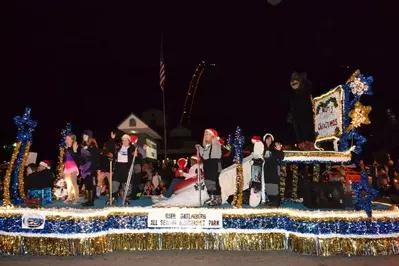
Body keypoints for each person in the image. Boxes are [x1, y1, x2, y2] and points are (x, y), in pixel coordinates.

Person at [107, 132, 146, 204]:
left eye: (126, 140)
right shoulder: (118, 147)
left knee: (127, 184)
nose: (124, 141)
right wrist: (112, 139)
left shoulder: (132, 148)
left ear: (129, 141)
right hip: (118, 167)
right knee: (114, 183)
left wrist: (137, 155)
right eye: (123, 140)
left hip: (127, 167)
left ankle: (126, 198)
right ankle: (112, 198)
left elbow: (141, 157)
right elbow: (110, 149)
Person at [197, 128, 222, 206]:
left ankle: (217, 198)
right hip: (207, 164)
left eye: (208, 134)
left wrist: (214, 139)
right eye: (205, 134)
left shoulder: (216, 144)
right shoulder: (207, 146)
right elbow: (204, 156)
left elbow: (215, 152)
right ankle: (212, 197)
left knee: (213, 181)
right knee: (208, 181)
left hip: (214, 164)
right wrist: (200, 148)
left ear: (212, 136)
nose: (206, 136)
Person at [262, 133, 284, 207]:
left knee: (274, 184)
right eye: (267, 139)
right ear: (265, 140)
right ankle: (271, 201)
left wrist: (279, 150)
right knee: (268, 184)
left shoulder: (274, 148)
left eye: (270, 139)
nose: (268, 140)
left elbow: (281, 157)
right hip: (267, 169)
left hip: (274, 169)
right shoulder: (263, 148)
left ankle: (276, 202)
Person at [79, 135, 101, 207]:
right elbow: (82, 157)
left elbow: (96, 156)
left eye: (85, 135)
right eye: (83, 135)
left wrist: (87, 149)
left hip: (91, 169)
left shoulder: (93, 147)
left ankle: (91, 201)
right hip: (85, 169)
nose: (84, 137)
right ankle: (89, 200)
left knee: (91, 184)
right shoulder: (83, 147)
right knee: (88, 184)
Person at [63, 134, 80, 204]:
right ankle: (69, 197)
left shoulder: (74, 147)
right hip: (67, 167)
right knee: (68, 183)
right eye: (66, 139)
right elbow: (65, 160)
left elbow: (77, 158)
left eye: (68, 139)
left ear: (72, 140)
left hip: (73, 167)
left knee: (74, 183)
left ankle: (77, 199)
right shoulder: (66, 148)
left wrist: (75, 150)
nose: (66, 140)